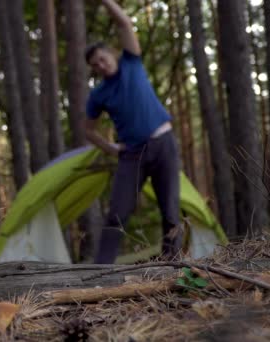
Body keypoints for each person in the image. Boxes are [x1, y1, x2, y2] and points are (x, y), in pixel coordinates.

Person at [84, 0, 182, 263]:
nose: (100, 66)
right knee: (117, 213)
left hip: (163, 144)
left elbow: (124, 23)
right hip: (132, 154)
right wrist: (113, 149)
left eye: (102, 59)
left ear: (111, 54)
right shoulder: (98, 94)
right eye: (95, 65)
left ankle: (172, 265)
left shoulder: (131, 62)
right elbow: (89, 131)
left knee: (171, 210)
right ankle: (99, 271)